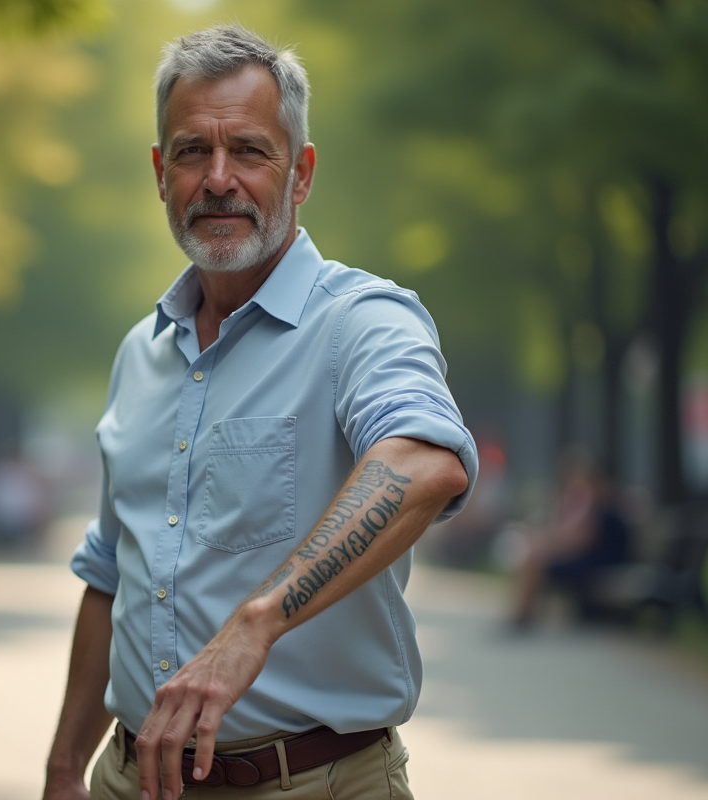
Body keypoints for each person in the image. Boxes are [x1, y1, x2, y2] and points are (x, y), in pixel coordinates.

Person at [41, 25, 477, 800]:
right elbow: (110, 573)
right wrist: (63, 766)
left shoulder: (362, 322)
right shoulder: (139, 353)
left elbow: (425, 461)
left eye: (248, 150)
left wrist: (258, 622)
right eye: (190, 153)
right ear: (158, 171)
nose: (218, 179)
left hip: (312, 781)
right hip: (127, 777)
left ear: (300, 172)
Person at [508, 448, 632, 628]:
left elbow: (582, 540)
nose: (591, 488)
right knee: (535, 561)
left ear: (605, 483)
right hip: (599, 562)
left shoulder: (607, 510)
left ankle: (523, 617)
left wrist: (550, 550)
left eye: (594, 483)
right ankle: (523, 615)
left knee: (536, 564)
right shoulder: (606, 507)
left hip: (603, 566)